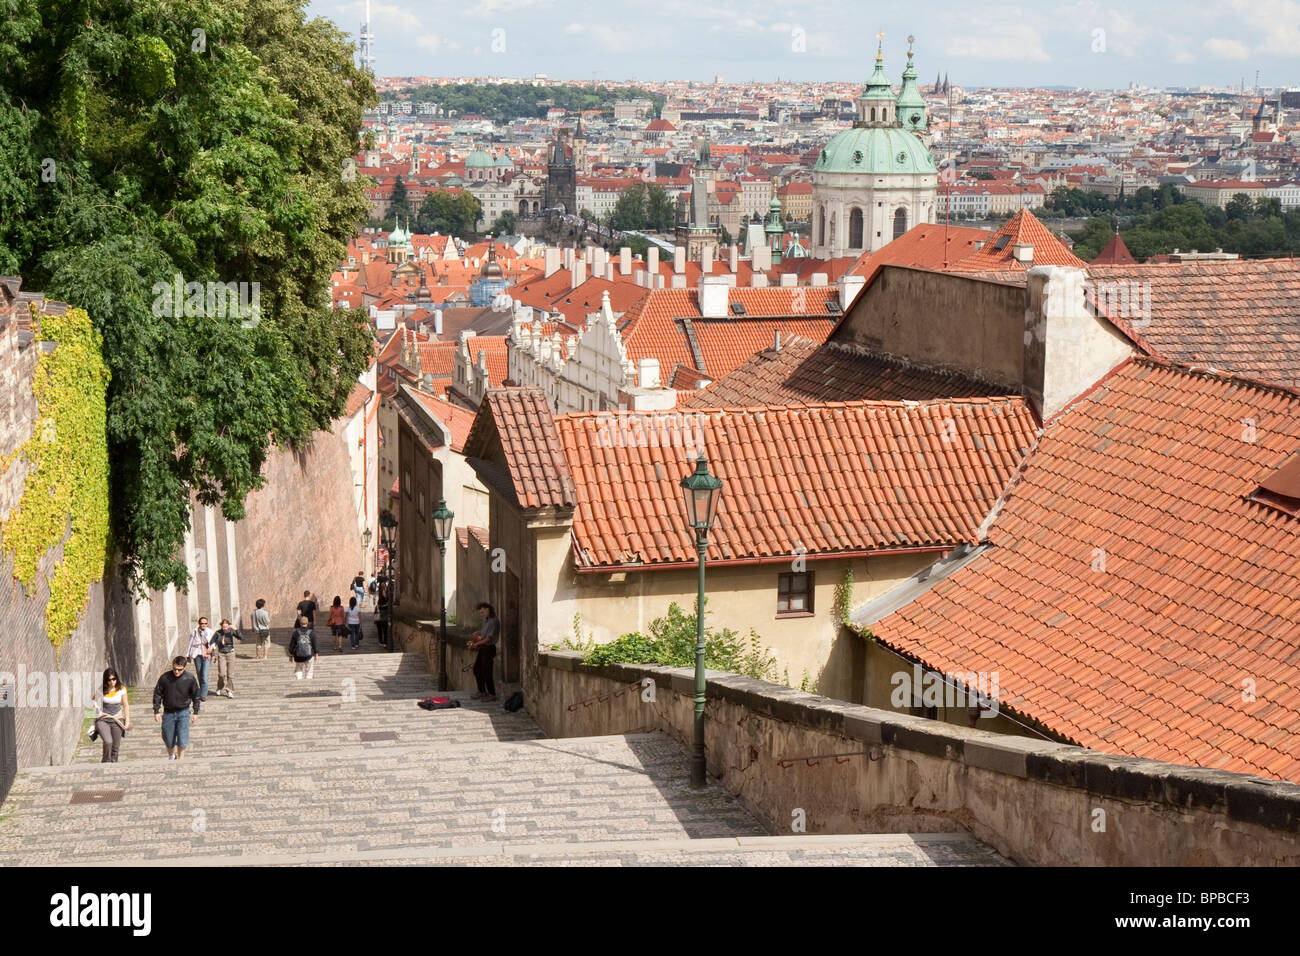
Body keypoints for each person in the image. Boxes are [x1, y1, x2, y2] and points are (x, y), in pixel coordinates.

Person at [153, 656, 200, 760]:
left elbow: (196, 695)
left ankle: (180, 759)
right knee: (168, 738)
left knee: (182, 737)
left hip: (183, 711)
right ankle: (171, 755)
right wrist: (156, 711)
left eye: (179, 670)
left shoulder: (190, 678)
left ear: (184, 668)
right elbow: (157, 694)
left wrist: (195, 712)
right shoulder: (165, 678)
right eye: (174, 669)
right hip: (168, 712)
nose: (176, 671)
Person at [90, 668, 131, 763]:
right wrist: (95, 707)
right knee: (108, 742)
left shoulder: (122, 689)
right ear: (106, 680)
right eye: (109, 680)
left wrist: (127, 721)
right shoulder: (102, 689)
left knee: (115, 747)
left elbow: (125, 705)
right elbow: (93, 699)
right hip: (103, 719)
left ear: (117, 678)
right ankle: (105, 763)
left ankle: (113, 765)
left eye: (114, 679)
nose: (112, 682)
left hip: (117, 719)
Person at [467, 602, 499, 700]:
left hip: (489, 648)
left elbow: (488, 639)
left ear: (488, 609)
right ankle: (482, 691)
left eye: (482, 612)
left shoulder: (493, 621)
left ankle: (492, 694)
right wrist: (477, 634)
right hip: (484, 648)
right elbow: (483, 635)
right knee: (477, 669)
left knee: (487, 671)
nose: (482, 614)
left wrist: (475, 644)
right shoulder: (487, 620)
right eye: (480, 613)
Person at [186, 616, 214, 702]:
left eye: (205, 623)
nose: (204, 625)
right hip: (197, 654)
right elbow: (190, 643)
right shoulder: (194, 631)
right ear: (199, 624)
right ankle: (202, 690)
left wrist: (212, 649)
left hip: (206, 654)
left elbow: (213, 642)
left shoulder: (210, 631)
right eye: (202, 623)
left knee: (204, 675)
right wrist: (187, 654)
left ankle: (203, 695)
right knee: (199, 674)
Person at [210, 618, 240, 698]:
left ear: (229, 626)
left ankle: (229, 690)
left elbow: (241, 637)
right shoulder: (217, 633)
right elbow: (212, 644)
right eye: (223, 627)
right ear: (221, 626)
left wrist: (236, 630)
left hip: (231, 653)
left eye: (226, 627)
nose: (225, 629)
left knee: (230, 674)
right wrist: (212, 655)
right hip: (221, 653)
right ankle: (219, 687)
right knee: (221, 674)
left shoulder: (231, 631)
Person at [288, 614, 318, 680]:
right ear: (307, 623)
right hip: (309, 655)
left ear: (300, 623)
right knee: (309, 671)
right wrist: (316, 653)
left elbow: (292, 645)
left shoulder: (296, 632)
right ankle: (308, 682)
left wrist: (290, 655)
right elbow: (314, 644)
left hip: (298, 656)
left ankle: (299, 680)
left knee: (298, 669)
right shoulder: (312, 632)